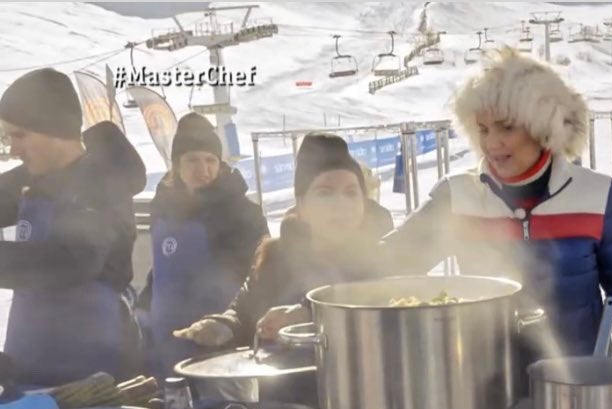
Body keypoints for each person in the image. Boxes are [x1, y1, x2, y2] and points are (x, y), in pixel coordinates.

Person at [377, 46, 612, 401]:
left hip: (578, 390)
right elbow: (388, 266)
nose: (492, 143)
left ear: (542, 127)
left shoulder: (594, 195)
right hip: (482, 389)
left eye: (506, 127)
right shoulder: (457, 197)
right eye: (483, 129)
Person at [174, 133, 392, 348]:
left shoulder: (381, 261)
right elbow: (243, 311)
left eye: (351, 192)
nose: (340, 204)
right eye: (325, 193)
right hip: (286, 382)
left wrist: (307, 313)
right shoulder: (275, 256)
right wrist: (223, 324)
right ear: (302, 205)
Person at [0, 68, 145, 387]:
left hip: (92, 372)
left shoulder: (103, 183)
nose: (13, 149)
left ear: (54, 130)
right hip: (28, 364)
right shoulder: (31, 176)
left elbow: (70, 261)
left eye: (20, 135)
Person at [134, 113, 269, 378]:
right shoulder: (162, 208)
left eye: (210, 160)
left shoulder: (241, 213)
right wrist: (144, 308)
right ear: (176, 165)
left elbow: (260, 277)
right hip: (166, 342)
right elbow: (162, 267)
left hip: (218, 343)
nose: (203, 169)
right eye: (192, 160)